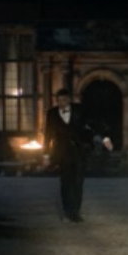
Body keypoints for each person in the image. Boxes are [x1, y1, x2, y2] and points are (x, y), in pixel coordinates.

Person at [43, 89, 112, 222]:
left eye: (63, 100)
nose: (61, 103)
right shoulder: (52, 114)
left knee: (78, 182)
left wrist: (104, 138)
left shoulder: (79, 110)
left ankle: (75, 212)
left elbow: (93, 124)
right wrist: (46, 155)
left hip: (79, 152)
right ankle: (67, 211)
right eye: (58, 101)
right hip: (62, 153)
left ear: (69, 99)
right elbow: (48, 135)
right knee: (65, 183)